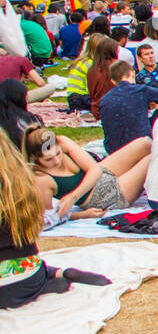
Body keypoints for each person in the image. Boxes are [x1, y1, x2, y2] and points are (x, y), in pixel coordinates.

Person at [0, 133, 110, 310]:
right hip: (29, 271)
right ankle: (57, 274)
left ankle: (46, 284)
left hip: (8, 290)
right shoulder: (23, 181)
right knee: (20, 262)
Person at [25, 125, 151, 219]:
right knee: (153, 158)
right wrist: (81, 215)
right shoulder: (41, 178)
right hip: (102, 197)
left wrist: (73, 197)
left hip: (101, 174)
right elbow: (47, 217)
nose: (57, 161)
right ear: (35, 158)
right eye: (48, 160)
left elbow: (95, 169)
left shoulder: (62, 141)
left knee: (145, 143)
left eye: (58, 154)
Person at [98, 61, 158, 155]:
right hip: (141, 147)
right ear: (132, 73)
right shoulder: (140, 90)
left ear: (112, 81)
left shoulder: (104, 99)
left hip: (113, 150)